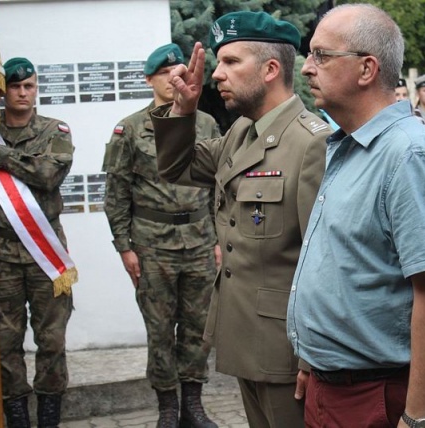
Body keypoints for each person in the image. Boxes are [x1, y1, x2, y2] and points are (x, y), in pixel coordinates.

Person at [150, 11, 330, 428]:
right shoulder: (241, 132)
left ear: (270, 69)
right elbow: (177, 167)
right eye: (219, 62)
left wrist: (311, 357)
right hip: (246, 337)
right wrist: (183, 110)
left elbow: (322, 262)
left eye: (232, 62)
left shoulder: (310, 143)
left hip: (287, 350)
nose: (217, 74)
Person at [288, 4, 425, 427]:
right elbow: (347, 264)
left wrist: (417, 417)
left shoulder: (408, 156)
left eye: (321, 55)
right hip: (334, 384)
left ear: (367, 69)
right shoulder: (351, 146)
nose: (307, 68)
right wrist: (314, 360)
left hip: (378, 395)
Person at [102, 43, 220, 428]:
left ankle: (194, 406)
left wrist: (219, 239)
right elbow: (117, 193)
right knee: (160, 330)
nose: (173, 79)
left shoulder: (206, 124)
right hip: (152, 245)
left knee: (198, 328)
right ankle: (168, 408)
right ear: (148, 80)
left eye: (179, 71)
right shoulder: (130, 129)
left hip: (199, 240)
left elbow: (219, 187)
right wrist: (124, 247)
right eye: (164, 73)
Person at [0, 58, 75, 427]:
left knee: (52, 341)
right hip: (0, 256)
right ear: (3, 91)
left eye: (29, 86)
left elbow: (47, 175)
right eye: (15, 87)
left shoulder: (54, 131)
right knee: (6, 344)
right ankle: (16, 419)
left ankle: (48, 418)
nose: (23, 93)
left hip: (46, 254)